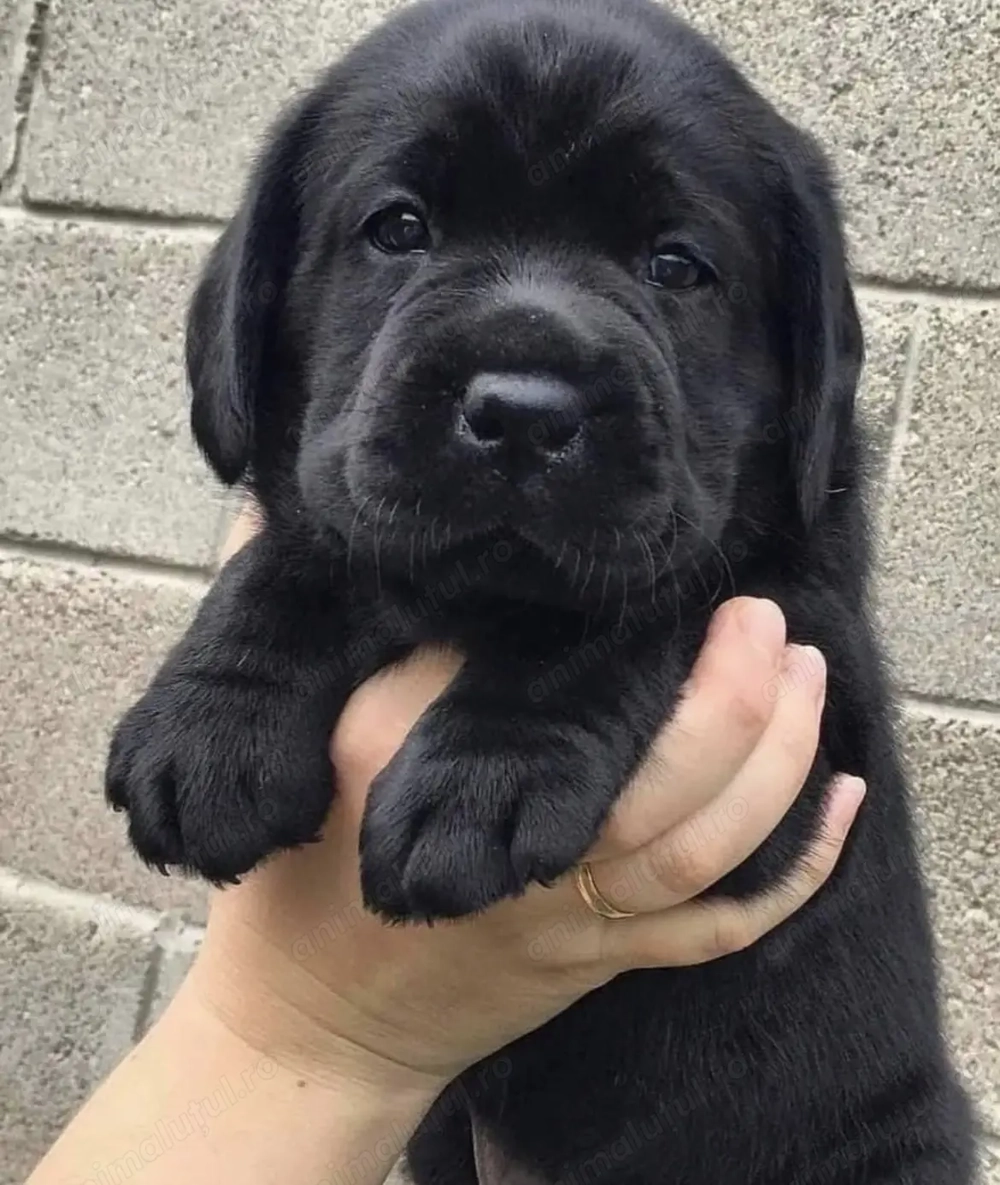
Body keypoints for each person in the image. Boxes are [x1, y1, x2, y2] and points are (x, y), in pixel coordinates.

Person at [26, 508, 865, 1185]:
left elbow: (781, 641)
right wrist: (259, 644)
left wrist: (559, 707)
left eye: (677, 280)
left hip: (802, 1150)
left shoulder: (762, 539)